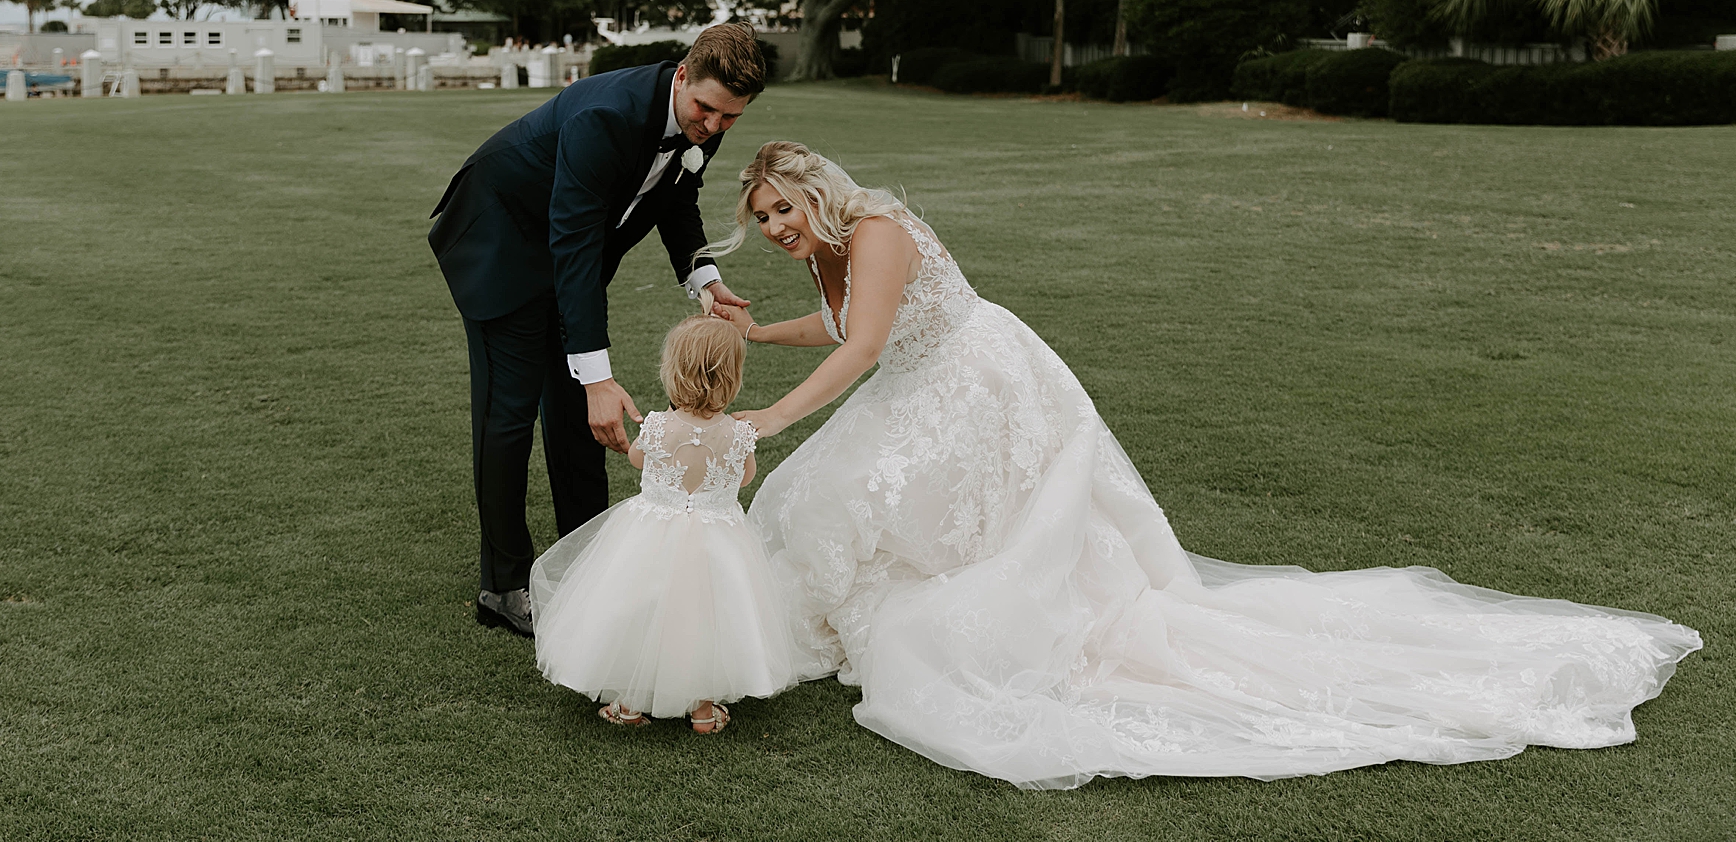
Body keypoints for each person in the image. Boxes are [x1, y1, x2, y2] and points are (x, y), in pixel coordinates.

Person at [710, 141, 1701, 789]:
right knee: (826, 495)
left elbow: (862, 344)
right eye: (759, 218)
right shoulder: (823, 252)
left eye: (780, 209)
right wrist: (758, 337)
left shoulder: (874, 230)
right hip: (919, 375)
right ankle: (840, 616)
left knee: (883, 496)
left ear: (816, 191)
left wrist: (767, 418)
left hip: (981, 378)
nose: (773, 227)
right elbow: (837, 326)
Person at [427, 25, 767, 637]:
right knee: (510, 408)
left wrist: (705, 280)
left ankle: (582, 563)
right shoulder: (605, 116)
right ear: (682, 75)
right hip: (500, 243)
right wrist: (598, 376)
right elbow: (575, 240)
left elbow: (676, 199)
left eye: (730, 118)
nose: (714, 127)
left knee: (577, 414)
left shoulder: (698, 123)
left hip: (565, 250)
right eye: (707, 110)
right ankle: (503, 585)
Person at [530, 313, 797, 732]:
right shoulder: (740, 433)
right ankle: (704, 710)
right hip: (718, 540)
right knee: (710, 616)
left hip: (650, 536)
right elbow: (745, 476)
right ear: (733, 376)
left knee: (638, 608)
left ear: (673, 372)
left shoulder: (656, 427)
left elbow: (638, 459)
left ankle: (629, 704)